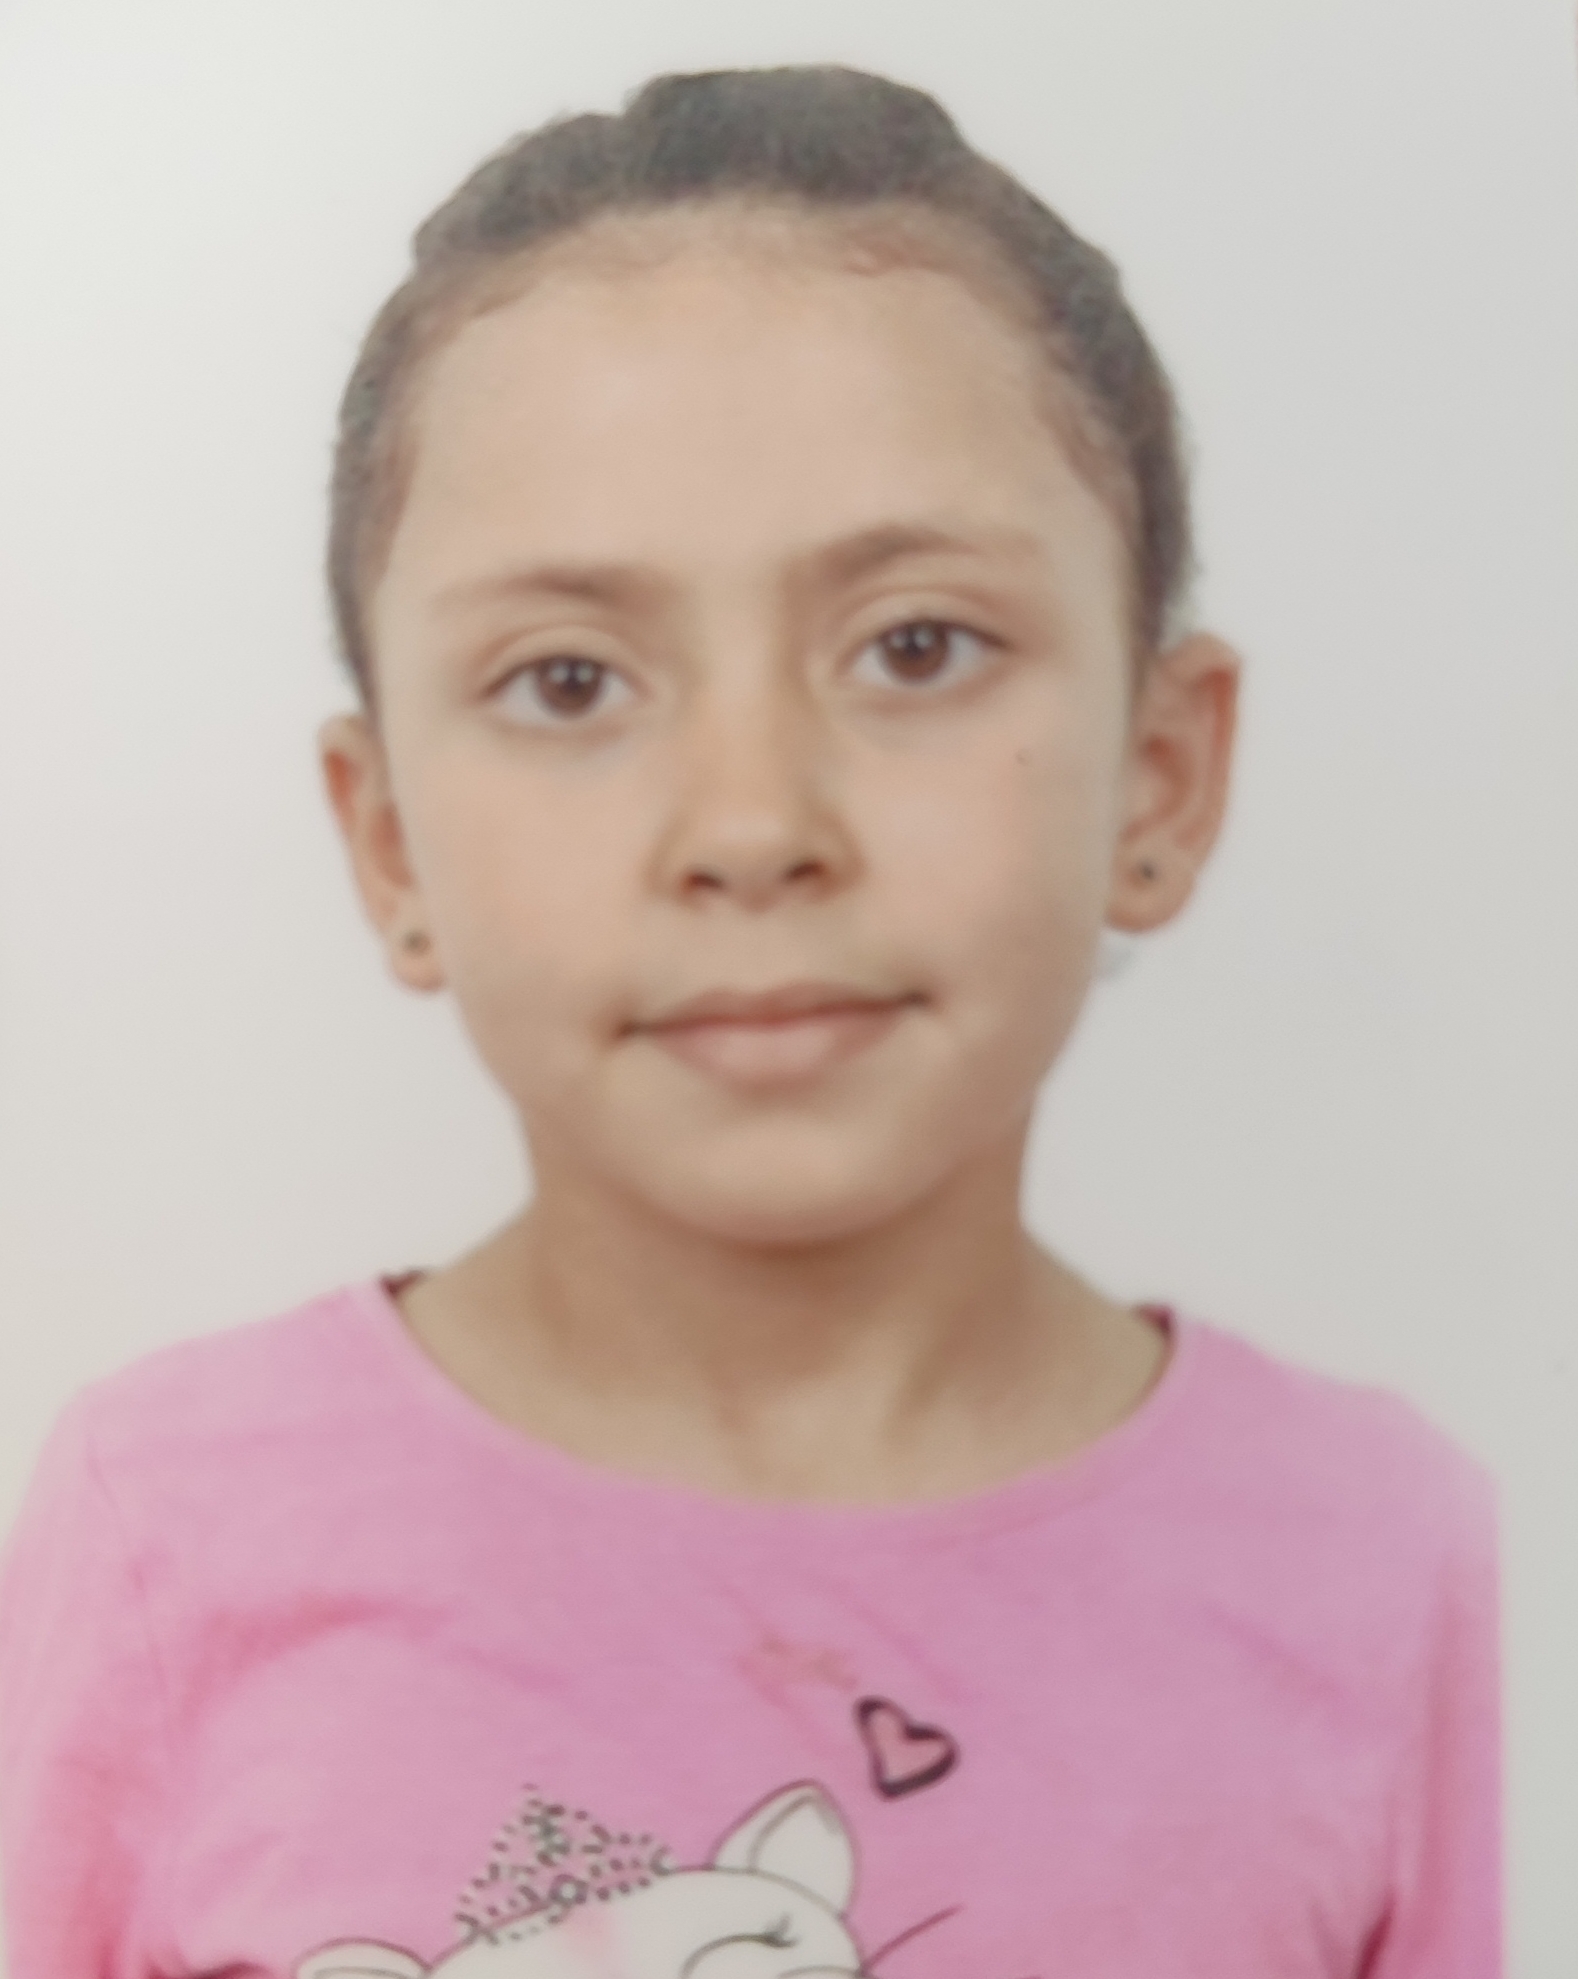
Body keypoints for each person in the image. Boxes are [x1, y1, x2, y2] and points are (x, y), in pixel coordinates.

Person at [0, 64, 1498, 1979]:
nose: (752, 824)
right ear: (386, 843)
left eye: (915, 648)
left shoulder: (1396, 1564)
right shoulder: (164, 1530)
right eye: (567, 681)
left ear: (1158, 777)